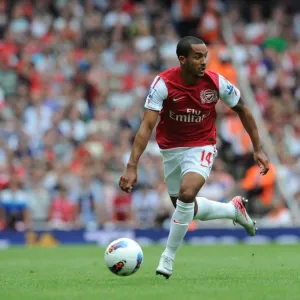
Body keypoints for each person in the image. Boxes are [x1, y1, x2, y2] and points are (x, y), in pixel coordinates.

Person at [119, 36, 269, 279]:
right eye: (198, 57)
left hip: (201, 146)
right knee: (183, 206)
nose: (203, 62)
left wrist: (258, 148)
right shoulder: (163, 84)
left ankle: (167, 258)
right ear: (183, 59)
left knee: (187, 195)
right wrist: (131, 166)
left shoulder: (216, 83)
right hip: (170, 151)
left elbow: (243, 109)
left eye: (205, 56)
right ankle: (233, 210)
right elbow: (146, 127)